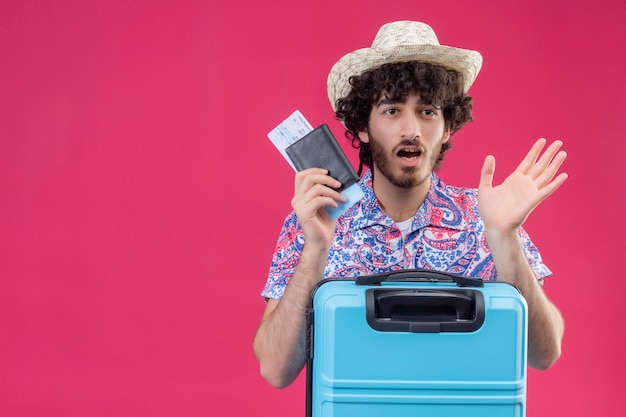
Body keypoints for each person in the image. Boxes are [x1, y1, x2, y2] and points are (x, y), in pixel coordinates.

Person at [253, 20, 567, 389]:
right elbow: (275, 370)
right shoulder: (313, 220)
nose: (411, 129)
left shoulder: (488, 217)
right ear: (363, 127)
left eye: (427, 111)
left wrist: (504, 236)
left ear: (448, 127)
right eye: (391, 110)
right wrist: (316, 250)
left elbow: (544, 354)